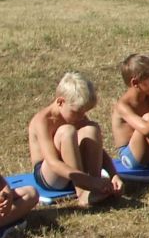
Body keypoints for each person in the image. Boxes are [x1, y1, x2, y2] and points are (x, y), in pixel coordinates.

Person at [27, 72, 122, 207]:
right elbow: (53, 163)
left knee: (91, 128)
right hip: (51, 176)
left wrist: (114, 175)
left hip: (77, 174)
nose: (81, 116)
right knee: (67, 131)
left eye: (84, 112)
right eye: (77, 112)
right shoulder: (43, 121)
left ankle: (95, 187)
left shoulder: (76, 116)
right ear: (60, 102)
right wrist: (88, 181)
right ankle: (82, 192)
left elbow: (98, 148)